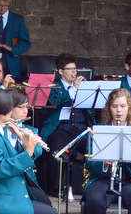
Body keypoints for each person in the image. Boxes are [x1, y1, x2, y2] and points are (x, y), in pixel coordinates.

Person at [37, 53, 92, 196]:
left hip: (80, 128)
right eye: (70, 69)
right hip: (60, 128)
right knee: (57, 151)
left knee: (96, 148)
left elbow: (91, 110)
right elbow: (55, 103)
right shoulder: (53, 87)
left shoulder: (84, 86)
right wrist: (73, 90)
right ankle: (58, 189)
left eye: (75, 69)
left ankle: (92, 186)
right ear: (61, 71)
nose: (74, 72)